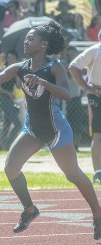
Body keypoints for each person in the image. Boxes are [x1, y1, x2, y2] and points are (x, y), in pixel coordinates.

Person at [0, 20, 101, 240]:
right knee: (10, 168)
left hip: (56, 130)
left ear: (44, 44)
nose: (26, 42)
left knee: (73, 174)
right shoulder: (20, 67)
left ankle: (97, 214)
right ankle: (30, 209)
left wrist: (42, 82)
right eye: (26, 38)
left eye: (31, 39)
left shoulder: (54, 66)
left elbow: (66, 94)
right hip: (32, 128)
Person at [69, 29, 101, 184]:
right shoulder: (94, 51)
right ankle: (98, 172)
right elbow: (73, 66)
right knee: (98, 134)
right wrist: (86, 87)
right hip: (97, 93)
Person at [0, 50, 22, 151]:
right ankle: (8, 144)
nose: (10, 60)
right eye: (9, 58)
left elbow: (19, 87)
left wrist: (18, 75)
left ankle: (2, 146)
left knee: (7, 123)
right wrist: (7, 93)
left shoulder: (15, 72)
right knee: (18, 124)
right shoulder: (2, 70)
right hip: (3, 98)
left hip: (9, 100)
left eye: (12, 58)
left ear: (16, 59)